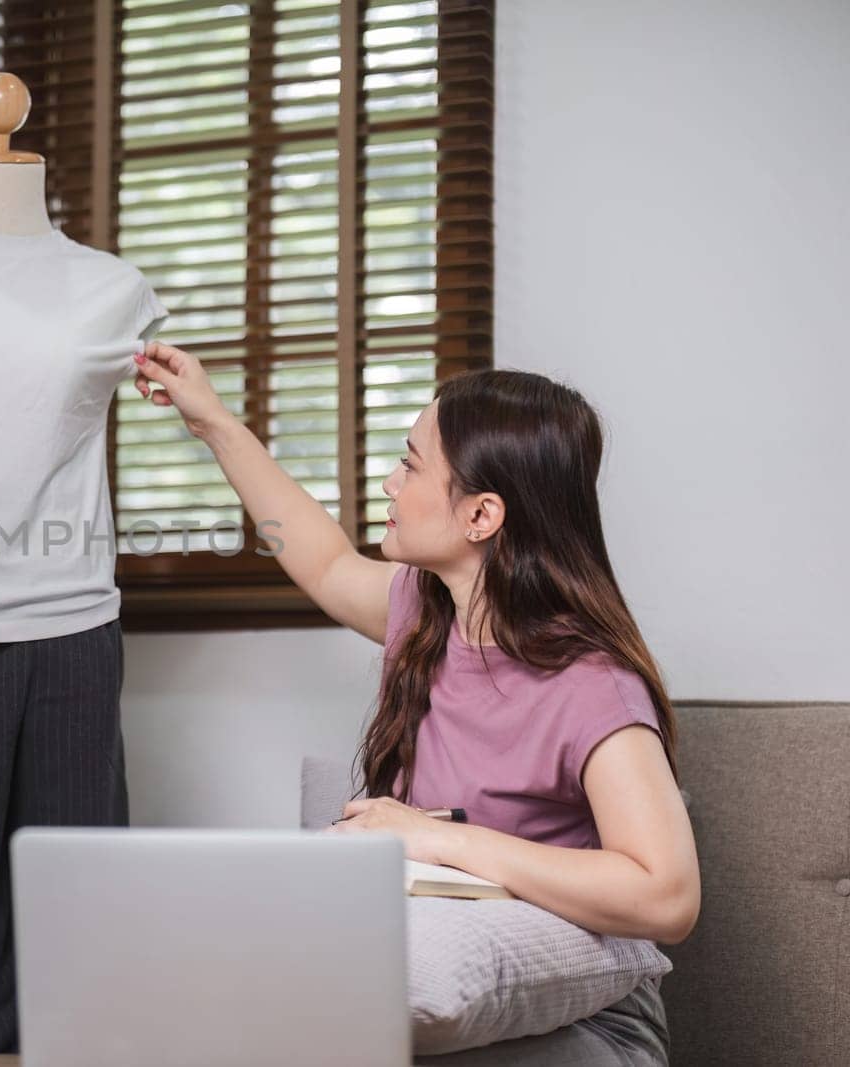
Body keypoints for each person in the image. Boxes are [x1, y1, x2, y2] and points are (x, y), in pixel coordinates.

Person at [132, 347, 700, 1052]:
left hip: (586, 1023)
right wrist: (215, 421)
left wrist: (439, 839)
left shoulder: (591, 683)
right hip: (437, 998)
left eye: (410, 463)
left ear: (481, 514)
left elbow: (667, 895)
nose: (389, 482)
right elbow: (324, 559)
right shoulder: (422, 614)